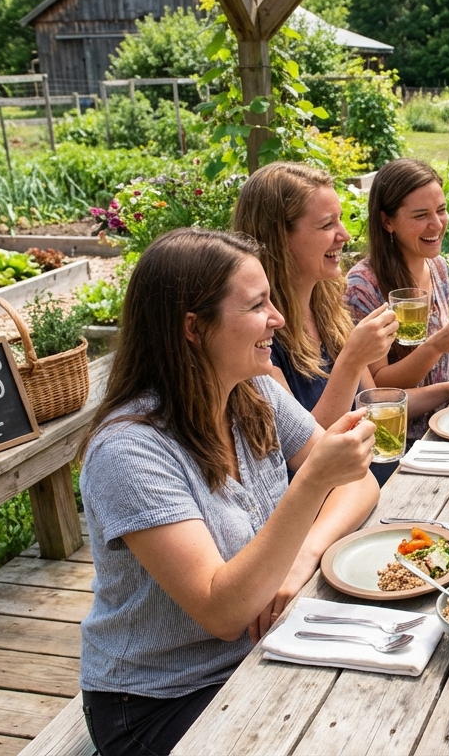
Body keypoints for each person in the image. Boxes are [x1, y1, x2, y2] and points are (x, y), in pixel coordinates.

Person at [76, 229, 380, 756]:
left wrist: (302, 557)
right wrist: (310, 482)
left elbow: (359, 483)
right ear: (193, 327)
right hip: (160, 700)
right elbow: (221, 612)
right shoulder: (128, 452)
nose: (278, 318)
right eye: (258, 305)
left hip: (268, 645)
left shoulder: (252, 390)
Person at [234, 162, 449, 480]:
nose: (344, 235)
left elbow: (377, 405)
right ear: (280, 237)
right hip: (338, 495)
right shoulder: (260, 335)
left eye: (341, 220)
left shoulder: (327, 309)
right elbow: (306, 453)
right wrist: (352, 359)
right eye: (326, 225)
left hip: (376, 473)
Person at [344, 158, 449, 439]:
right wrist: (435, 347)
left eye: (441, 210)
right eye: (420, 216)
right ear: (387, 221)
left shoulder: (438, 268)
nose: (436, 224)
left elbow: (443, 376)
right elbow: (378, 389)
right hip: (401, 443)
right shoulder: (363, 286)